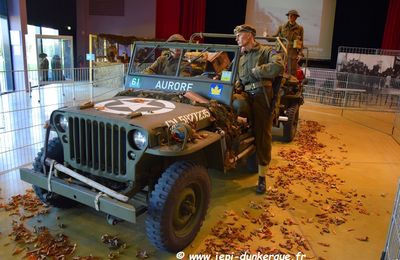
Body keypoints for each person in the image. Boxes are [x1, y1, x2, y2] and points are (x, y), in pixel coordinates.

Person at [234, 24, 284, 194]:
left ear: (249, 35)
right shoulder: (241, 57)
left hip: (261, 95)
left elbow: (278, 66)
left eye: (239, 35)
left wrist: (257, 71)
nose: (237, 39)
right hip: (246, 95)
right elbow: (236, 77)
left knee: (263, 133)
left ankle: (262, 177)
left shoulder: (266, 51)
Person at [271, 10, 304, 76]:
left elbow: (301, 41)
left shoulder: (300, 28)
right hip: (282, 51)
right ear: (288, 17)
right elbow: (275, 37)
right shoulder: (282, 27)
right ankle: (279, 85)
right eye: (290, 15)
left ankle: (291, 85)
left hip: (293, 52)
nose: (291, 17)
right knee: (279, 69)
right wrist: (267, 37)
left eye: (293, 15)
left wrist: (300, 53)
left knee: (292, 71)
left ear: (296, 17)